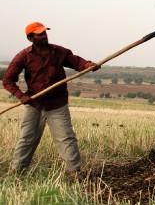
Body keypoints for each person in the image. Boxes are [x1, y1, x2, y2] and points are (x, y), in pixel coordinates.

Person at [2, 22, 99, 177]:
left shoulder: (59, 52)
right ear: (31, 38)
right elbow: (7, 80)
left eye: (44, 32)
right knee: (26, 139)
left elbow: (76, 62)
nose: (44, 35)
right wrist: (21, 95)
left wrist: (88, 65)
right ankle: (17, 172)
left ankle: (74, 172)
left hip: (57, 104)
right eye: (39, 34)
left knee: (66, 138)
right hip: (34, 104)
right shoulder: (23, 56)